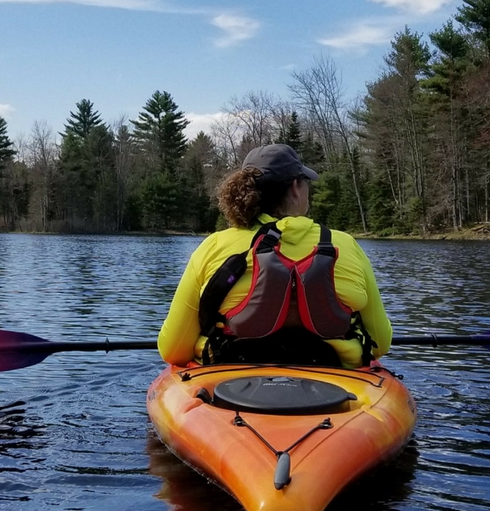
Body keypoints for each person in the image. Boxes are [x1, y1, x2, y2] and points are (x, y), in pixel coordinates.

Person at [158, 143, 392, 367]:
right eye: (306, 182)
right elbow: (379, 343)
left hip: (229, 377)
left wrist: (200, 344)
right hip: (334, 376)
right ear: (295, 188)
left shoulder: (214, 246)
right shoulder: (345, 245)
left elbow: (173, 350)